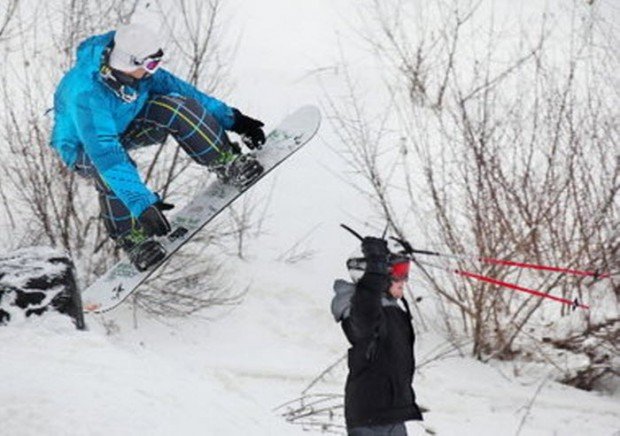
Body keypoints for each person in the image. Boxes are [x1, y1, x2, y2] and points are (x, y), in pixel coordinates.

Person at [50, 23, 266, 271]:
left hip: (124, 124)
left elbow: (188, 93)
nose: (154, 71)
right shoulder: (87, 93)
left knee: (177, 106)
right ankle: (134, 240)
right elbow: (106, 154)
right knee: (111, 173)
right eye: (150, 65)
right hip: (82, 146)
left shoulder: (141, 76)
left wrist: (234, 120)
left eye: (156, 63)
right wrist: (142, 205)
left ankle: (225, 161)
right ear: (130, 63)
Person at [331, 236, 423, 435]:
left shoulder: (393, 310)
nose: (404, 280)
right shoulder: (357, 309)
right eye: (398, 272)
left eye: (405, 271)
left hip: (393, 416)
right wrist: (374, 271)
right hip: (369, 417)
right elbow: (365, 316)